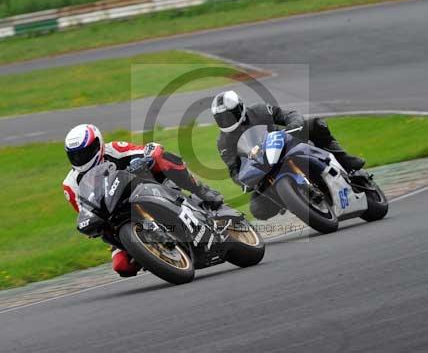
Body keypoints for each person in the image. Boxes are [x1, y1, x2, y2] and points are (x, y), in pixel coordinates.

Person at [62, 124, 223, 277]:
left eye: (85, 152)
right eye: (74, 155)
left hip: (143, 187)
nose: (80, 158)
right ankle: (154, 252)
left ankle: (201, 191)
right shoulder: (70, 184)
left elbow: (148, 150)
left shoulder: (115, 149)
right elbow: (85, 210)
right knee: (122, 266)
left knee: (163, 158)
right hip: (115, 217)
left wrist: (146, 157)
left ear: (98, 144)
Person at [211, 90, 364, 221]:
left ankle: (345, 160)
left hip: (285, 145)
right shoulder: (223, 142)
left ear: (240, 107)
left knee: (316, 124)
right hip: (262, 168)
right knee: (257, 209)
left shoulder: (260, 110)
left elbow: (289, 115)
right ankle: (291, 200)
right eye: (221, 118)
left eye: (229, 116)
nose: (226, 121)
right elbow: (233, 169)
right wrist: (242, 181)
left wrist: (294, 125)